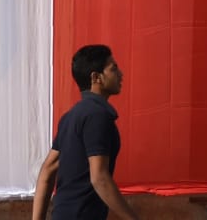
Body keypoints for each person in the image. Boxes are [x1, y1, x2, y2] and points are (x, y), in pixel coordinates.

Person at [32, 44, 136, 220]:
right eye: (113, 69)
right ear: (96, 77)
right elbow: (99, 178)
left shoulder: (70, 116)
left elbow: (47, 170)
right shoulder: (97, 115)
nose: (120, 74)